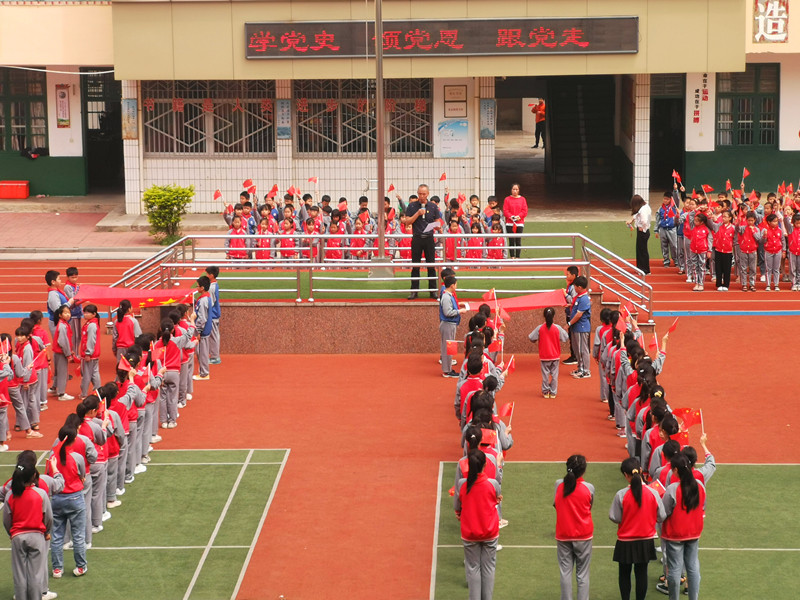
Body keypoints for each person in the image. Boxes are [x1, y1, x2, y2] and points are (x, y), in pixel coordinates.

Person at [609, 457, 666, 600]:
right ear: (640, 470)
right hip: (645, 540)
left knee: (624, 573)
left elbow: (615, 517)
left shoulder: (621, 494)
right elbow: (662, 516)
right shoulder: (653, 493)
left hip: (625, 541)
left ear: (625, 475)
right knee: (641, 573)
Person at [3, 458, 53, 600]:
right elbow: (48, 517)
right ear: (33, 476)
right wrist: (47, 532)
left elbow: (6, 519)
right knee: (36, 574)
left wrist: (12, 533)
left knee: (19, 574)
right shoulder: (40, 494)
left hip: (18, 537)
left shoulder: (10, 495)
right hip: (37, 537)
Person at [454, 448, 501, 600]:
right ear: (485, 464)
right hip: (490, 532)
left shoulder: (462, 484)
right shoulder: (493, 484)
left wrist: (460, 513)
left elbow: (457, 506)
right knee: (489, 568)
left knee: (473, 568)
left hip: (469, 533)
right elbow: (496, 498)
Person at [660, 453, 706, 600]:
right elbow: (703, 506)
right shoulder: (699, 486)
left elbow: (664, 513)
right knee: (693, 567)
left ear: (675, 470)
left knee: (674, 569)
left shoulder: (672, 489)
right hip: (694, 533)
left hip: (675, 534)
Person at [47, 425, 89, 579]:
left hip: (57, 499)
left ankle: (57, 569)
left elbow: (48, 476)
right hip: (75, 498)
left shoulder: (52, 457)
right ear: (73, 440)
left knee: (57, 536)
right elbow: (82, 475)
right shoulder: (77, 457)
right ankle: (81, 566)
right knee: (78, 535)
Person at [554, 455, 594, 600]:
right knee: (583, 574)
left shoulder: (559, 485)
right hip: (584, 535)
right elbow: (589, 505)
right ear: (583, 470)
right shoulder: (589, 488)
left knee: (565, 572)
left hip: (564, 534)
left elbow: (556, 504)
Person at [405, 184, 442, 299]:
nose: (422, 196)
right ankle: (414, 291)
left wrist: (436, 226)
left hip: (429, 238)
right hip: (417, 238)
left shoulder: (433, 206)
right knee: (415, 265)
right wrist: (418, 213)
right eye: (420, 194)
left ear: (428, 194)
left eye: (424, 194)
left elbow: (438, 222)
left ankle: (432, 291)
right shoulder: (412, 206)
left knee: (431, 265)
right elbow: (407, 221)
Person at [529, 307, 569, 398]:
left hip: (544, 355)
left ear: (544, 316)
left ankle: (546, 391)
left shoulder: (540, 328)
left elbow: (531, 338)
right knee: (554, 375)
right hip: (555, 355)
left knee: (545, 375)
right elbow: (565, 338)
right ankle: (553, 392)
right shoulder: (557, 328)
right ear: (554, 316)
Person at [440, 275, 468, 379]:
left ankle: (448, 369)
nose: (456, 286)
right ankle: (447, 371)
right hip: (448, 324)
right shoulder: (446, 297)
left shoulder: (448, 295)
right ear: (452, 285)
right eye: (456, 284)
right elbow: (447, 312)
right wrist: (460, 311)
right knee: (448, 348)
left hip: (450, 324)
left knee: (449, 347)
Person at [567, 276, 592, 379]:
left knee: (582, 350)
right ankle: (580, 368)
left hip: (581, 328)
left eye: (575, 287)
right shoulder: (579, 297)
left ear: (580, 287)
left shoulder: (584, 298)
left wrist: (569, 324)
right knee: (577, 349)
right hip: (576, 327)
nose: (574, 288)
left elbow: (579, 315)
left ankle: (586, 371)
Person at [193, 276, 213, 382]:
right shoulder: (206, 297)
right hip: (205, 330)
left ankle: (204, 373)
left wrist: (199, 332)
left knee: (202, 353)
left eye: (198, 286)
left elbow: (202, 318)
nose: (197, 288)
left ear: (202, 287)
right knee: (201, 352)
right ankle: (203, 372)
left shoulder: (204, 300)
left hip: (203, 331)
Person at [79, 304, 101, 397]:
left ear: (94, 314)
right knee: (95, 373)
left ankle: (84, 393)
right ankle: (98, 391)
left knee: (86, 374)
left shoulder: (91, 325)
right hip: (94, 353)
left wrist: (88, 353)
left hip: (90, 354)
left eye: (88, 313)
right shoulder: (92, 324)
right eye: (84, 312)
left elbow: (91, 340)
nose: (85, 314)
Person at [626, 195, 652, 275]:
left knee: (642, 251)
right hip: (644, 231)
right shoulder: (645, 206)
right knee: (641, 250)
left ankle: (644, 270)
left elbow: (644, 221)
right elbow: (637, 215)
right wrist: (632, 221)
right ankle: (641, 268)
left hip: (643, 231)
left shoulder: (643, 209)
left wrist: (642, 228)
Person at [502, 184, 528, 259]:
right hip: (510, 223)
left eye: (516, 189)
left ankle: (518, 256)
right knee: (511, 240)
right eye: (513, 189)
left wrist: (519, 216)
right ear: (511, 190)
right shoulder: (507, 199)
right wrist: (511, 216)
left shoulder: (522, 199)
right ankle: (512, 256)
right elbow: (505, 210)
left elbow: (524, 211)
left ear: (519, 190)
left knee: (518, 240)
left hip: (519, 223)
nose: (515, 191)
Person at [205, 266, 222, 365]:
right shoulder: (214, 285)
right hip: (214, 314)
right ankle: (214, 356)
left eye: (207, 274)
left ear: (211, 275)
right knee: (214, 336)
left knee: (213, 337)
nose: (206, 276)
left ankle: (215, 357)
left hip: (213, 315)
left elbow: (209, 303)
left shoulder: (211, 287)